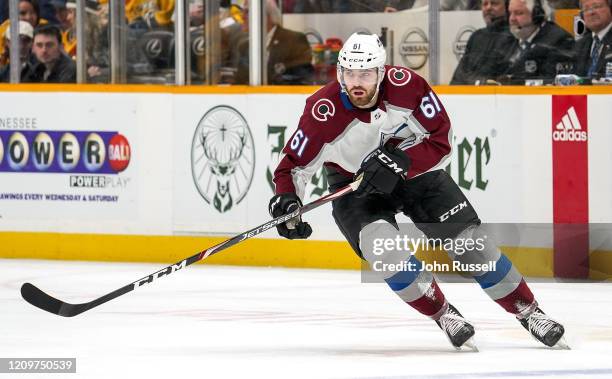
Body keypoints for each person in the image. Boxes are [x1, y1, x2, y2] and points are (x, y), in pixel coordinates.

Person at [268, 32, 568, 350]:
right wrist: (288, 201)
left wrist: (402, 163)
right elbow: (292, 166)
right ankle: (444, 314)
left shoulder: (407, 85)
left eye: (366, 73)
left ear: (381, 73)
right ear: (340, 73)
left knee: (470, 245)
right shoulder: (321, 110)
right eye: (350, 73)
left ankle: (529, 312)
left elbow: (442, 138)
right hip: (356, 187)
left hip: (417, 174)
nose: (357, 82)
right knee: (384, 251)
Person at [235, 0, 314, 85]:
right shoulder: (244, 46)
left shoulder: (294, 40)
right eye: (242, 12)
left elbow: (303, 80)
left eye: (247, 12)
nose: (242, 17)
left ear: (266, 15)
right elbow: (239, 82)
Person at [495, 0, 575, 84]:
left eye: (519, 13)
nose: (512, 19)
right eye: (510, 13)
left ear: (537, 16)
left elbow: (550, 82)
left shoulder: (558, 40)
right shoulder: (506, 40)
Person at [451, 0, 514, 84]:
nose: (488, 8)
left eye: (494, 3)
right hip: (469, 94)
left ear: (507, 7)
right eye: (485, 4)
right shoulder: (476, 36)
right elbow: (458, 76)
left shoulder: (514, 36)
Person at [573, 0, 612, 78]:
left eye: (596, 6)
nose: (591, 13)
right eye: (586, 9)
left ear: (610, 8)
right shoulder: (579, 45)